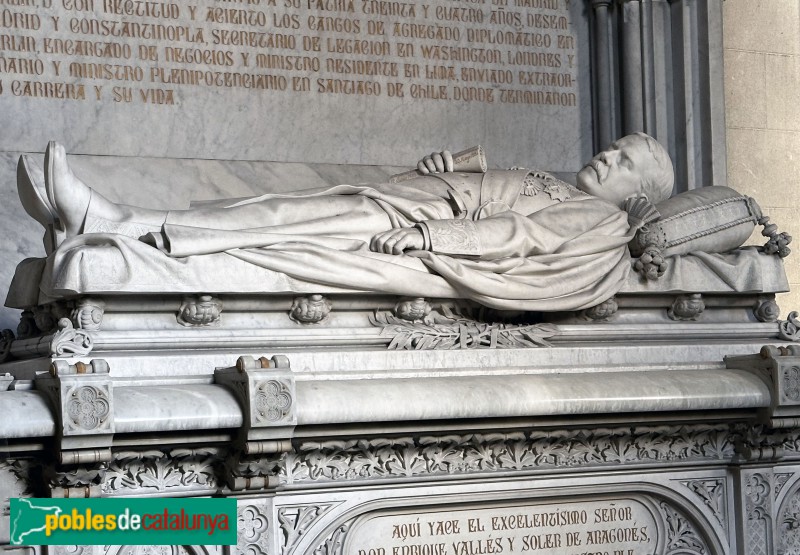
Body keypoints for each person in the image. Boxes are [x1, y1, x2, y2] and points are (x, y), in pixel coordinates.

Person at [16, 133, 674, 311]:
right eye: (613, 146)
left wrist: (429, 237)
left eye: (624, 160)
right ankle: (116, 221)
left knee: (276, 220)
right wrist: (448, 169)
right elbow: (511, 207)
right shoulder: (563, 188)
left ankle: (117, 222)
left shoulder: (598, 219)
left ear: (636, 195)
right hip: (415, 202)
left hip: (415, 228)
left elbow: (519, 237)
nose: (606, 154)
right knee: (266, 212)